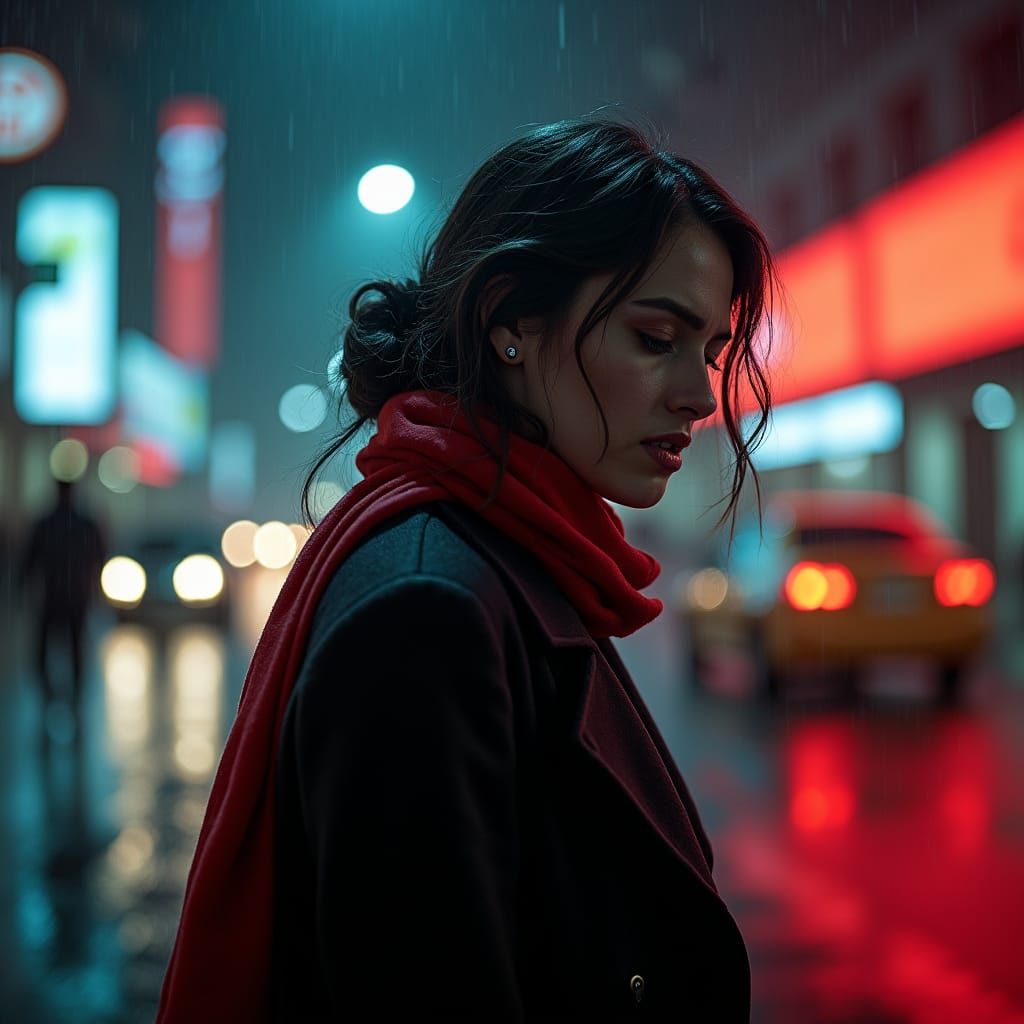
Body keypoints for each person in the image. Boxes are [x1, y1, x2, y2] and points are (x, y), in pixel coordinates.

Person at [157, 112, 778, 1022]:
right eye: (655, 338)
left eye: (710, 354)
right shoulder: (427, 610)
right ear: (508, 326)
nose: (696, 394)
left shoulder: (522, 558)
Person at [20, 476, 107, 753]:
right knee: (70, 652)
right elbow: (99, 559)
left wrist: (23, 592)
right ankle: (68, 699)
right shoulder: (83, 524)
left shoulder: (47, 524)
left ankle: (55, 699)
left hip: (56, 600)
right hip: (71, 600)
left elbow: (30, 563)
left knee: (50, 652)